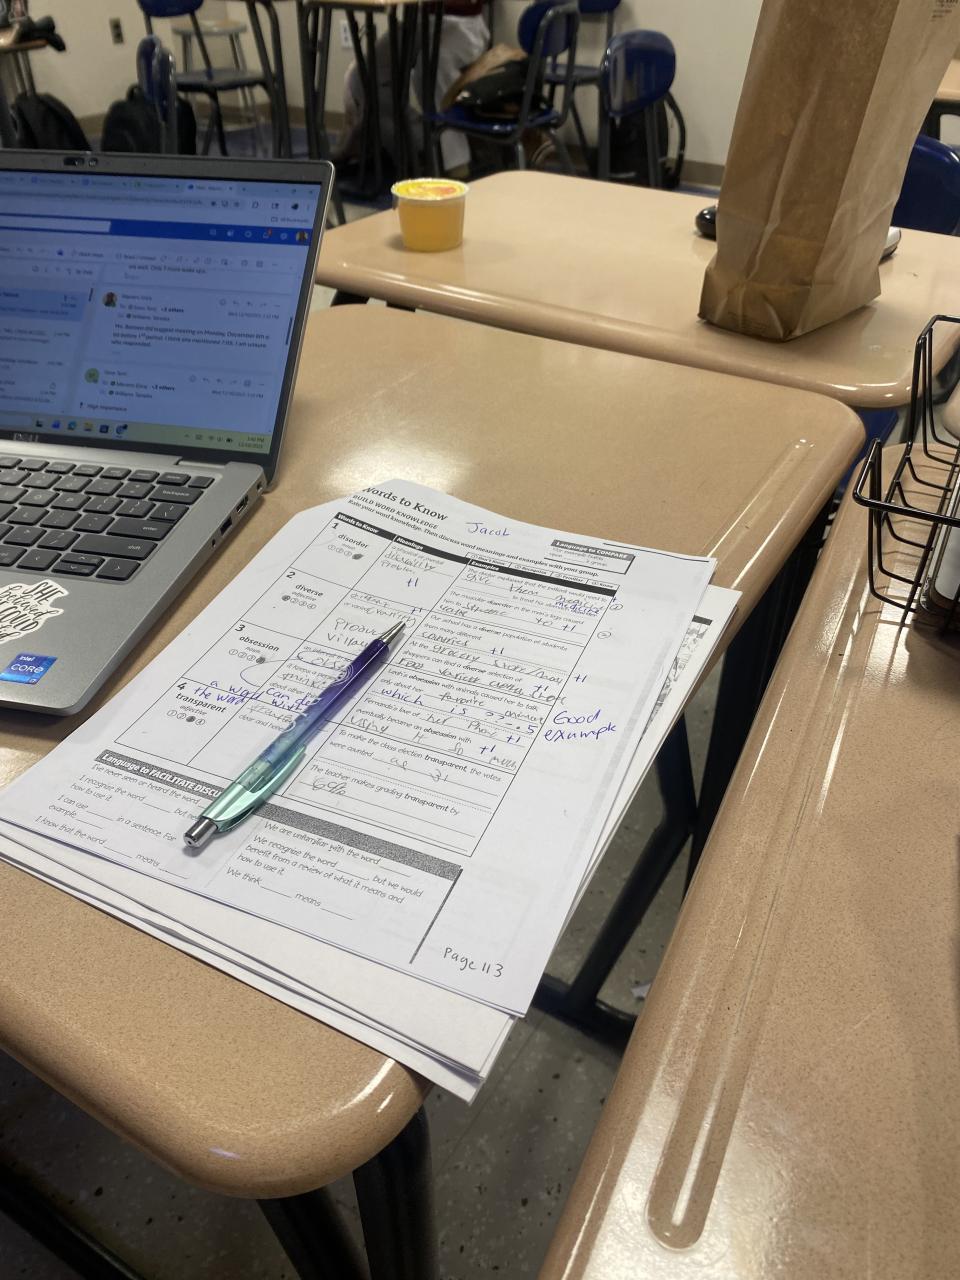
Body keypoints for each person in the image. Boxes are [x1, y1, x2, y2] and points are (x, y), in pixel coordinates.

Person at [337, 0, 489, 177]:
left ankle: (454, 166)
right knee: (362, 76)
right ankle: (418, 147)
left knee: (431, 66)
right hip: (417, 20)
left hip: (462, 25)